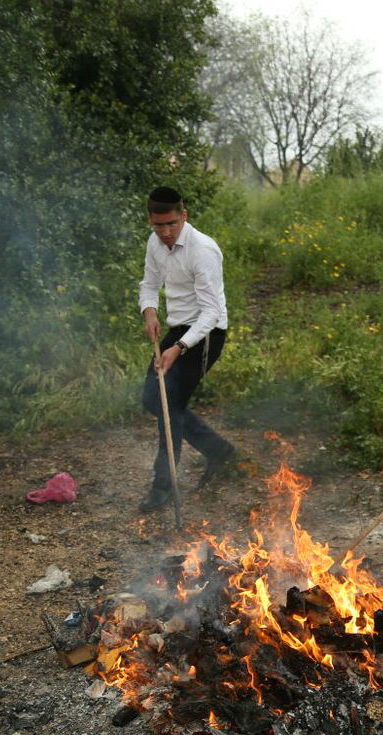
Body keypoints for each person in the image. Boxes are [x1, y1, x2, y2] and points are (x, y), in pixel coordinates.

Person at [136, 185, 236, 511]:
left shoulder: (203, 250)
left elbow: (211, 313)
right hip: (179, 327)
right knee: (153, 398)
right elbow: (149, 283)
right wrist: (149, 310)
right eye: (158, 225)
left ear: (184, 216)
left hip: (206, 334)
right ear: (151, 220)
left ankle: (162, 486)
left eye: (171, 224)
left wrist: (178, 347)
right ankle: (218, 450)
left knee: (171, 406)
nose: (164, 232)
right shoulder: (155, 242)